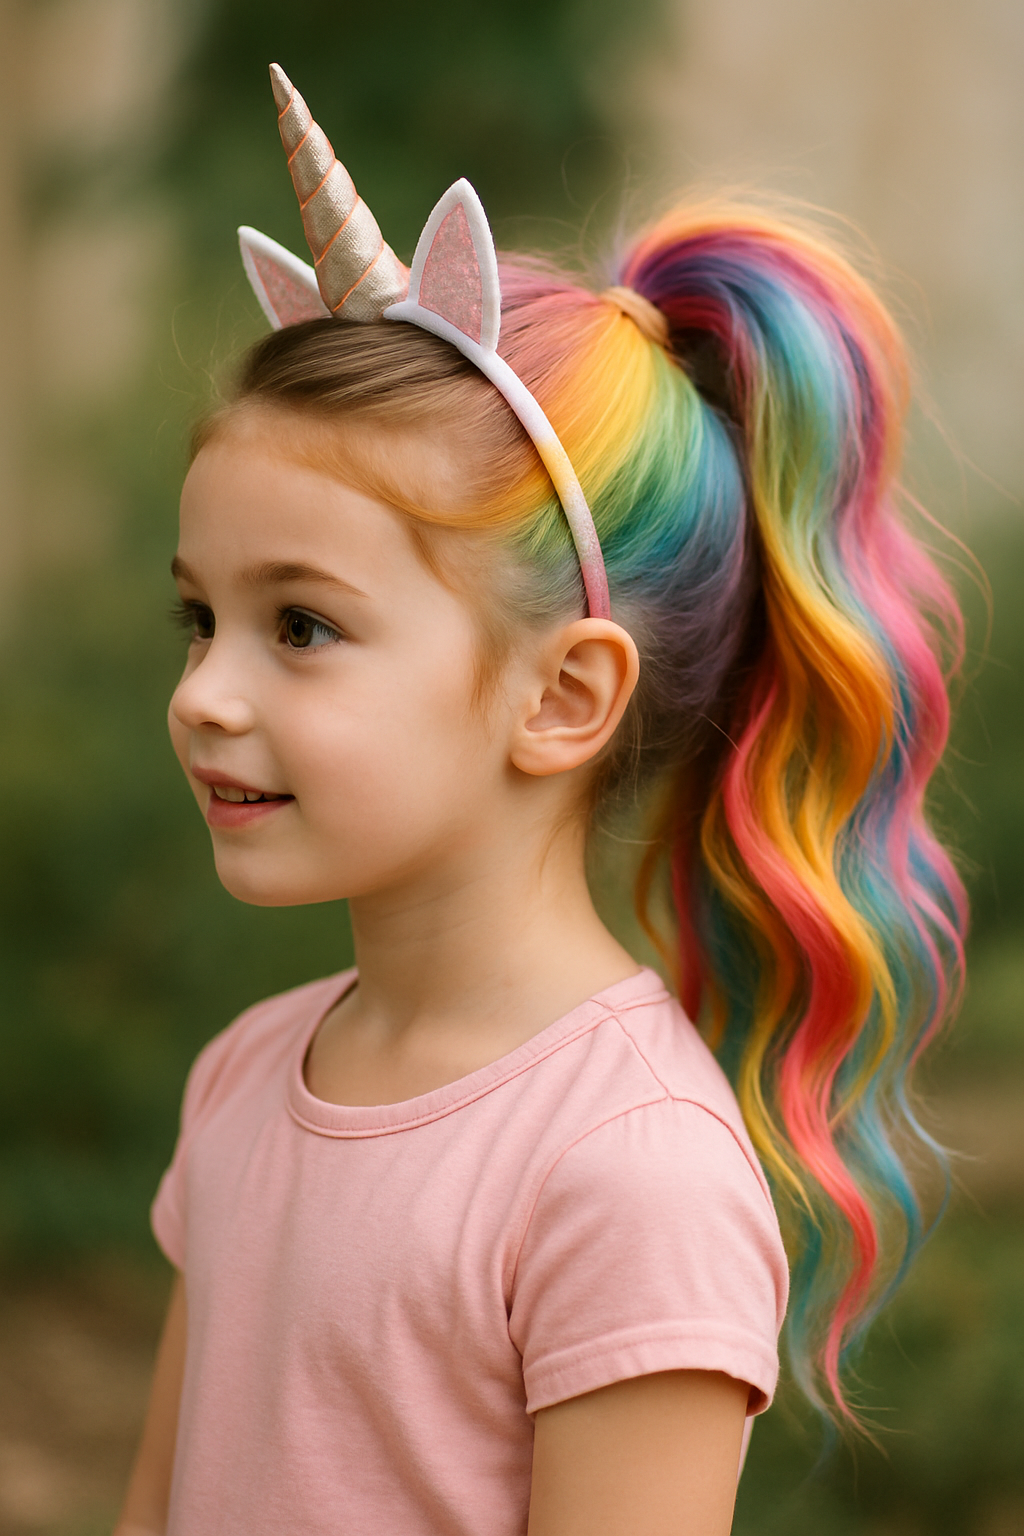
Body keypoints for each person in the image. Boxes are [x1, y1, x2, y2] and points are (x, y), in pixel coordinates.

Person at [114, 65, 966, 1536]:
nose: (205, 694)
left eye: (300, 626)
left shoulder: (628, 1178)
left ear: (563, 696)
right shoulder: (247, 1076)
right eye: (201, 619)